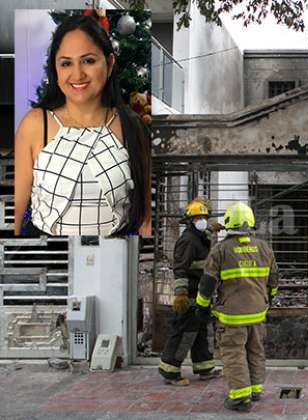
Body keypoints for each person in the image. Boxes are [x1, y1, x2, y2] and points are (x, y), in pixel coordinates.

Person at [14, 14, 151, 236]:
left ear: (109, 63)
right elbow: (17, 212)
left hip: (114, 259)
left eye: (88, 60)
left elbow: (145, 218)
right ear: (56, 69)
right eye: (66, 63)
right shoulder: (35, 124)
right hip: (49, 259)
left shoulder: (132, 126)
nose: (77, 74)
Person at [195, 202, 279, 412]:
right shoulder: (264, 248)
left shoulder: (220, 250)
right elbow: (274, 281)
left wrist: (202, 307)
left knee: (233, 353)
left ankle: (240, 397)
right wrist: (266, 299)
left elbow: (207, 284)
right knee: (255, 350)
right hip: (258, 312)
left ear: (228, 223)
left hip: (232, 316)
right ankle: (255, 389)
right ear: (250, 222)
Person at [158, 198, 222, 385]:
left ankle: (205, 368)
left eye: (204, 216)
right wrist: (181, 294)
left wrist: (212, 229)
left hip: (201, 294)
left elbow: (204, 239)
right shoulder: (187, 240)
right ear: (189, 221)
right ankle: (170, 371)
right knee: (184, 332)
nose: (203, 219)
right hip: (190, 295)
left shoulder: (200, 236)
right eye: (198, 217)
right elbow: (180, 269)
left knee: (201, 331)